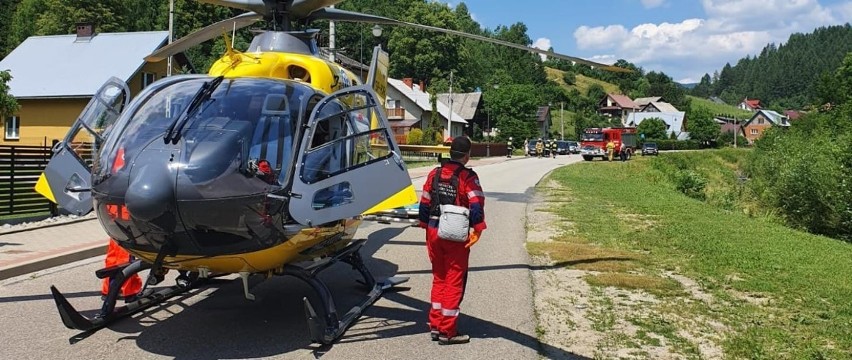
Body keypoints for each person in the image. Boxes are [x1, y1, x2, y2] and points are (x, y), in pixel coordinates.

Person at [418, 136, 486, 345]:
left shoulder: (434, 174)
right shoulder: (468, 177)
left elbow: (424, 203)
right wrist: (477, 228)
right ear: (467, 155)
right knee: (454, 280)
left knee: (439, 277)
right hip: (454, 233)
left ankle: (436, 325)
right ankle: (448, 332)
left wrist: (425, 225)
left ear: (450, 153)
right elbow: (476, 204)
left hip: (433, 230)